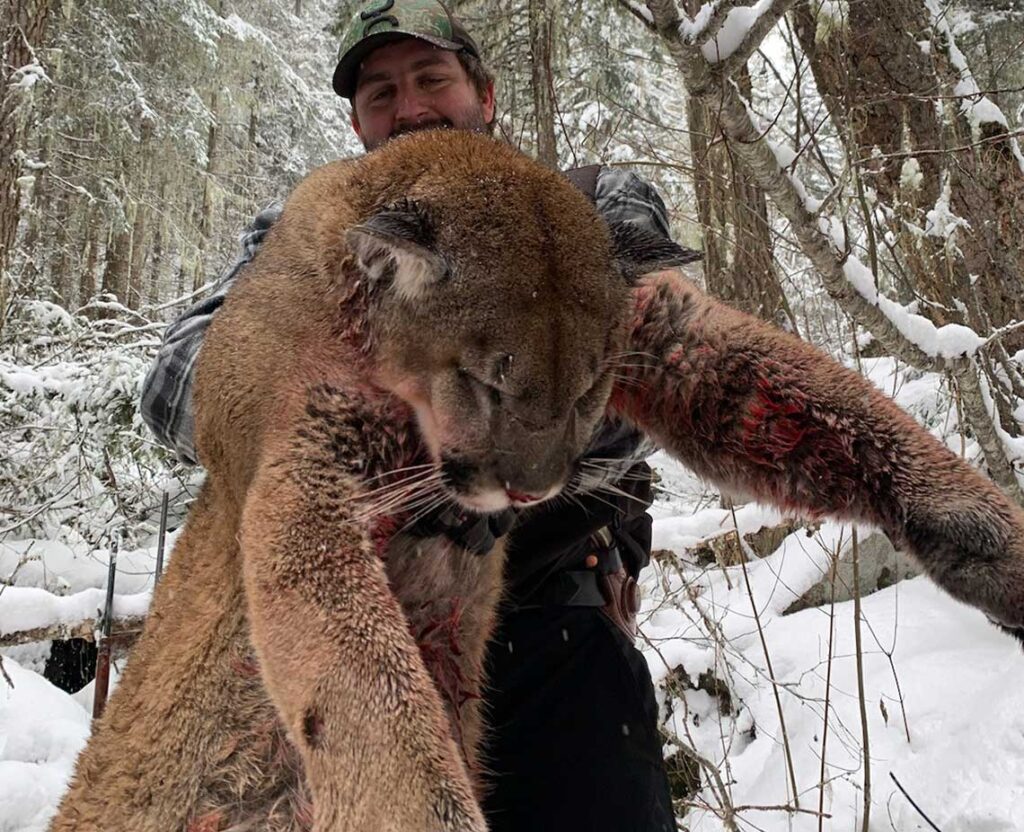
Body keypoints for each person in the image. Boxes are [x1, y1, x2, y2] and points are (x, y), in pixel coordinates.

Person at [141, 2, 678, 829]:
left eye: (432, 79)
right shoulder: (308, 235)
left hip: (551, 643)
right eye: (381, 94)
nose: (411, 108)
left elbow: (650, 371)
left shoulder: (587, 205)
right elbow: (178, 383)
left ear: (486, 95)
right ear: (357, 122)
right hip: (351, 657)